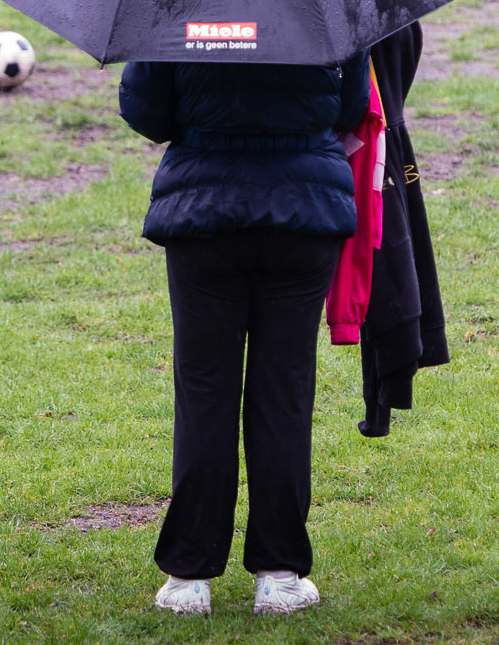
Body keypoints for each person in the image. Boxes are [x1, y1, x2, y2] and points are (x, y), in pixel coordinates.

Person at [118, 54, 371, 616]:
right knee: (283, 392)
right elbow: (353, 108)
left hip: (205, 211)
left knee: (205, 390)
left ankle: (188, 576)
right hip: (304, 211)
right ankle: (279, 575)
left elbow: (147, 111)